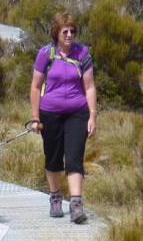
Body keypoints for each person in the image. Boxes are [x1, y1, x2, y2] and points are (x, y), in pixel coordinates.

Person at [29, 12, 97, 223]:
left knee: (75, 157)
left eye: (72, 31)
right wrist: (34, 117)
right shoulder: (45, 53)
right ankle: (55, 197)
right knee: (53, 157)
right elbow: (36, 86)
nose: (69, 35)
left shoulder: (83, 53)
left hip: (78, 112)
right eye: (65, 31)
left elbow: (90, 86)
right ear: (56, 33)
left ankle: (76, 205)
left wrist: (92, 115)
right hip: (50, 113)